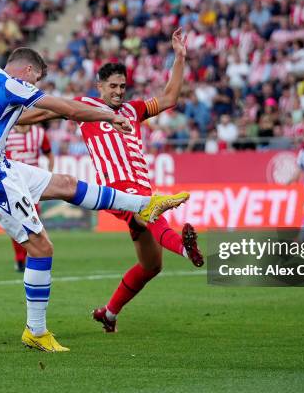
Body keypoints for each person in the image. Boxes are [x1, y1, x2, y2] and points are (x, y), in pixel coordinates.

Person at [0, 47, 190, 352]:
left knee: (66, 184)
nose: (36, 85)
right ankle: (36, 331)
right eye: (37, 79)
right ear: (27, 71)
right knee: (42, 247)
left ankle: (144, 204)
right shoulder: (14, 85)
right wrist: (111, 116)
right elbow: (66, 109)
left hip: (2, 167)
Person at [21, 28, 203, 333]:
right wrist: (8, 119)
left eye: (123, 86)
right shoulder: (85, 106)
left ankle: (109, 314)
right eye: (113, 86)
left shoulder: (135, 110)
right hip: (117, 190)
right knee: (150, 211)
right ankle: (185, 250)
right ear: (99, 86)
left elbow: (170, 97)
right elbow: (40, 115)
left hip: (143, 189)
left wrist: (180, 57)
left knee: (151, 266)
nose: (119, 91)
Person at [5, 124, 53, 272]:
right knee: (16, 224)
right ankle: (19, 258)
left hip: (32, 187)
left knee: (33, 224)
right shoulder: (7, 132)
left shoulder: (39, 133)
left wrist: (48, 175)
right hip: (13, 184)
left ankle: (31, 256)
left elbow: (49, 154)